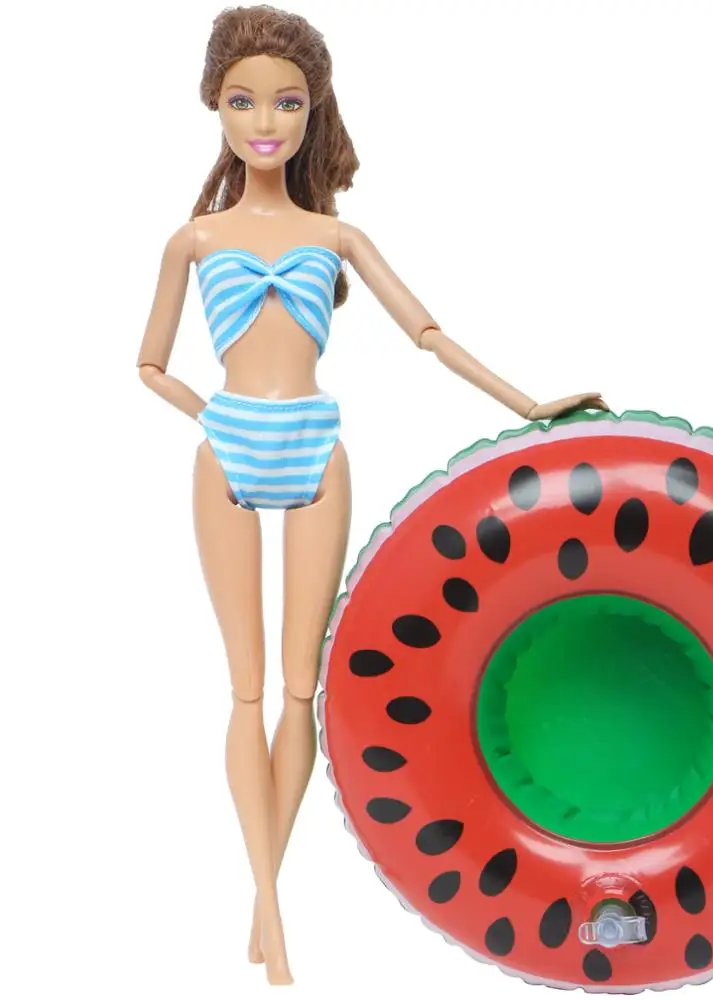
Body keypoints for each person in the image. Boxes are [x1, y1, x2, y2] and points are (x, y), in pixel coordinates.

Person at [135, 4, 606, 985]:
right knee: (244, 687)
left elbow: (427, 334)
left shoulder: (338, 236)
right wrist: (210, 417)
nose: (266, 121)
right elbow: (147, 364)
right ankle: (271, 908)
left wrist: (528, 403)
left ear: (313, 110)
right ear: (214, 106)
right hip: (229, 446)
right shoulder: (192, 239)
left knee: (301, 687)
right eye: (243, 101)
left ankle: (265, 906)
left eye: (287, 102)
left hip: (316, 446)